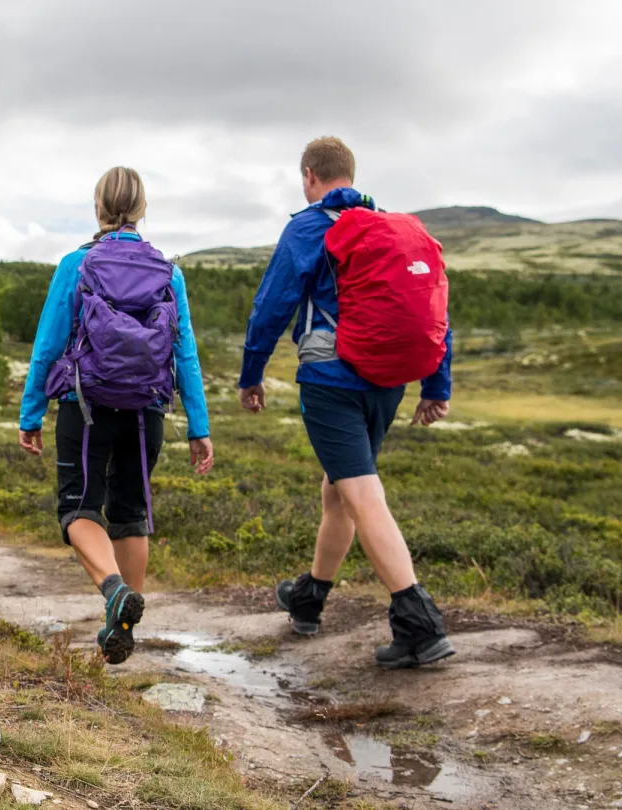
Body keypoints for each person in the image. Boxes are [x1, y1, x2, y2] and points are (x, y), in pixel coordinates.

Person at [239, 136, 456, 669]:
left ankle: (419, 622)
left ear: (310, 176)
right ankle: (309, 597)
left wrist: (252, 373)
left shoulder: (310, 226)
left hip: (332, 379)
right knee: (337, 490)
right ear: (351, 175)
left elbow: (272, 304)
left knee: (360, 493)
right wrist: (436, 384)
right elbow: (433, 307)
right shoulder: (391, 229)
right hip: (388, 380)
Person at [18, 166, 214, 665]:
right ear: (142, 209)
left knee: (78, 511)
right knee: (130, 516)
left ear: (99, 208)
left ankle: (113, 593)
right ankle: (122, 628)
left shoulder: (76, 264)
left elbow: (47, 344)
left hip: (86, 408)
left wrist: (31, 413)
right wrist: (199, 426)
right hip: (146, 409)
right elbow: (184, 352)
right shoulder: (169, 272)